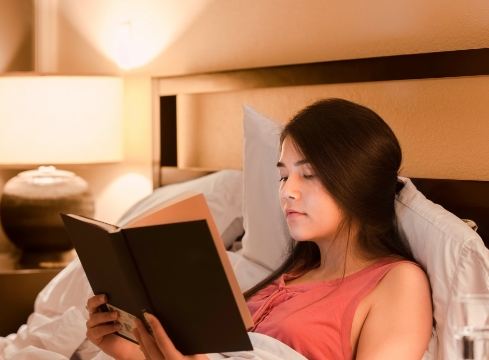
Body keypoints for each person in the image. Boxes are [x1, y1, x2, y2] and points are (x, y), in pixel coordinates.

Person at [84, 98, 433, 360]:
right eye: (283, 176)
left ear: (358, 182)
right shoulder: (291, 275)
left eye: (307, 174)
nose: (287, 190)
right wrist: (121, 344)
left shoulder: (398, 282)